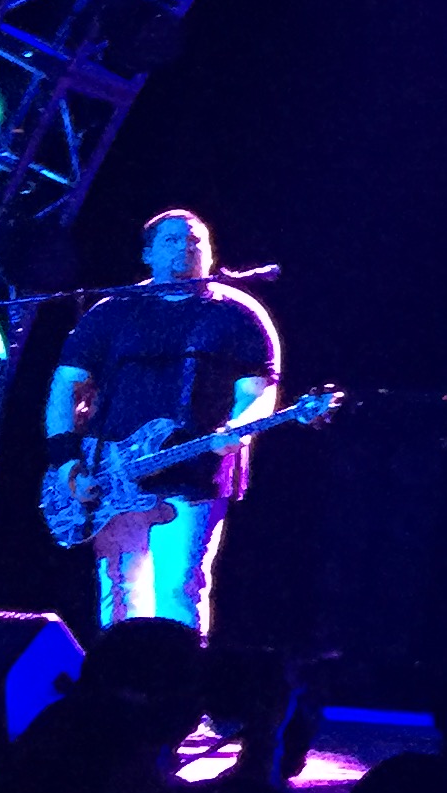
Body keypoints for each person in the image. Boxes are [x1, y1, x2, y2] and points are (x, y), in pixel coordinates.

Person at [45, 211, 280, 636]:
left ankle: (178, 675)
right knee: (120, 591)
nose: (186, 248)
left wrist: (240, 428)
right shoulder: (112, 311)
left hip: (194, 474)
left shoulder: (238, 314)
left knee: (180, 588)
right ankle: (119, 673)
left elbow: (257, 391)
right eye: (172, 240)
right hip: (114, 470)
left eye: (196, 241)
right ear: (148, 254)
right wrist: (67, 464)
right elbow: (67, 387)